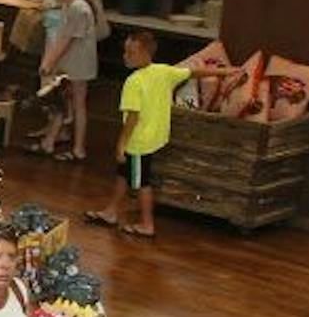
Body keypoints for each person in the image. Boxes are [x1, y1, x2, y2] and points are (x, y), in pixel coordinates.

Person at [88, 31, 245, 239]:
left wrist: (121, 144)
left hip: (138, 142)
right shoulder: (163, 71)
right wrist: (225, 72)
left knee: (142, 183)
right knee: (124, 174)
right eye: (125, 51)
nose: (126, 56)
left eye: (131, 52)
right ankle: (111, 211)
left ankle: (146, 224)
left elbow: (133, 117)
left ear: (145, 53)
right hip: (154, 137)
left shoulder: (133, 82)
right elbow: (193, 73)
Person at [35, 0, 98, 162]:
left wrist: (48, 63)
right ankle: (50, 142)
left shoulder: (77, 8)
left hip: (76, 65)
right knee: (64, 103)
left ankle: (77, 148)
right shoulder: (74, 6)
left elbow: (65, 40)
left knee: (75, 104)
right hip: (75, 64)